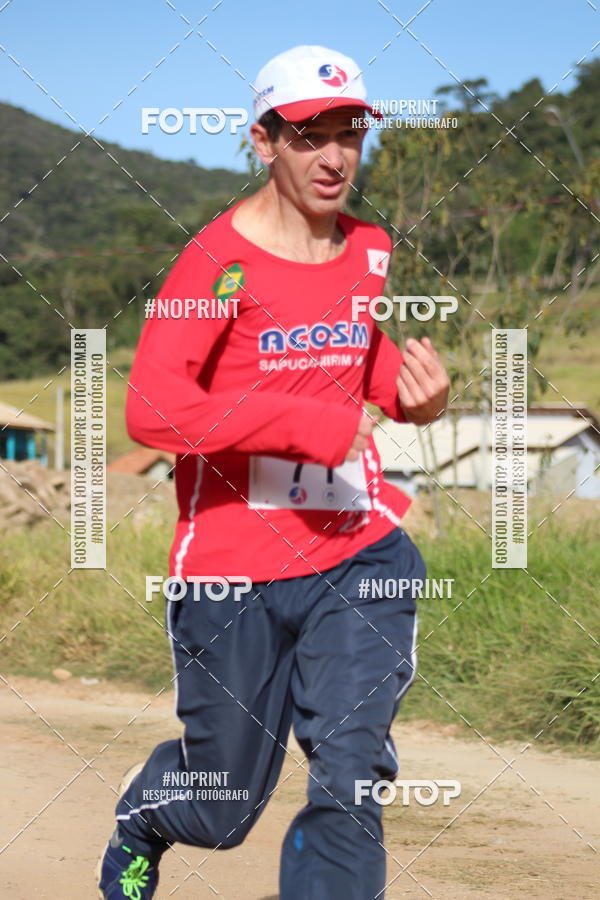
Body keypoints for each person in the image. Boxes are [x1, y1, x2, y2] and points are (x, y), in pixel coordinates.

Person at [98, 44, 450, 900]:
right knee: (222, 808)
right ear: (263, 142)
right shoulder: (216, 263)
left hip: (356, 552)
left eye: (349, 134)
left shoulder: (369, 247)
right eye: (306, 136)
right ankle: (147, 813)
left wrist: (414, 398)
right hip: (233, 570)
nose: (333, 158)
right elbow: (152, 408)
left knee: (350, 768)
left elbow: (349, 351)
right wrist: (304, 427)